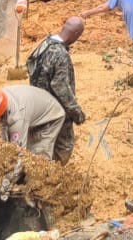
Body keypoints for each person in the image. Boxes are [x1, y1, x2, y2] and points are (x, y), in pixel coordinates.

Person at [28, 18, 86, 161]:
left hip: (37, 105)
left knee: (40, 141)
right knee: (64, 146)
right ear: (76, 34)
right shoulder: (60, 54)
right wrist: (76, 112)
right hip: (56, 109)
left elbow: (30, 64)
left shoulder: (45, 43)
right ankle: (55, 175)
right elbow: (60, 86)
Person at [0, 83, 67, 159]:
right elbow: (4, 128)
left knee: (38, 157)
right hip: (35, 110)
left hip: (51, 117)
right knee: (25, 147)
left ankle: (48, 176)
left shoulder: (17, 118)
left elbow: (19, 153)